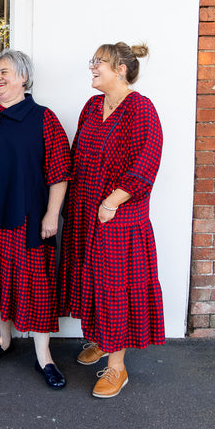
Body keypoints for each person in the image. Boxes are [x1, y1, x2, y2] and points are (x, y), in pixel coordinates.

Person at [0, 50, 71, 389]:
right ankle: (3, 340)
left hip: (23, 217)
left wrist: (51, 214)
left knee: (33, 282)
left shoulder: (42, 118)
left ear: (24, 77)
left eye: (5, 72)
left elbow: (60, 172)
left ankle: (44, 356)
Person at [58, 42, 164, 398]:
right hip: (86, 211)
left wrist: (112, 201)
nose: (92, 67)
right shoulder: (92, 106)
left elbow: (146, 164)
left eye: (98, 62)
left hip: (118, 217)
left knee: (114, 288)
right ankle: (102, 341)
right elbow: (77, 155)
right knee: (91, 280)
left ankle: (117, 367)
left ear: (120, 69)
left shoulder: (141, 108)